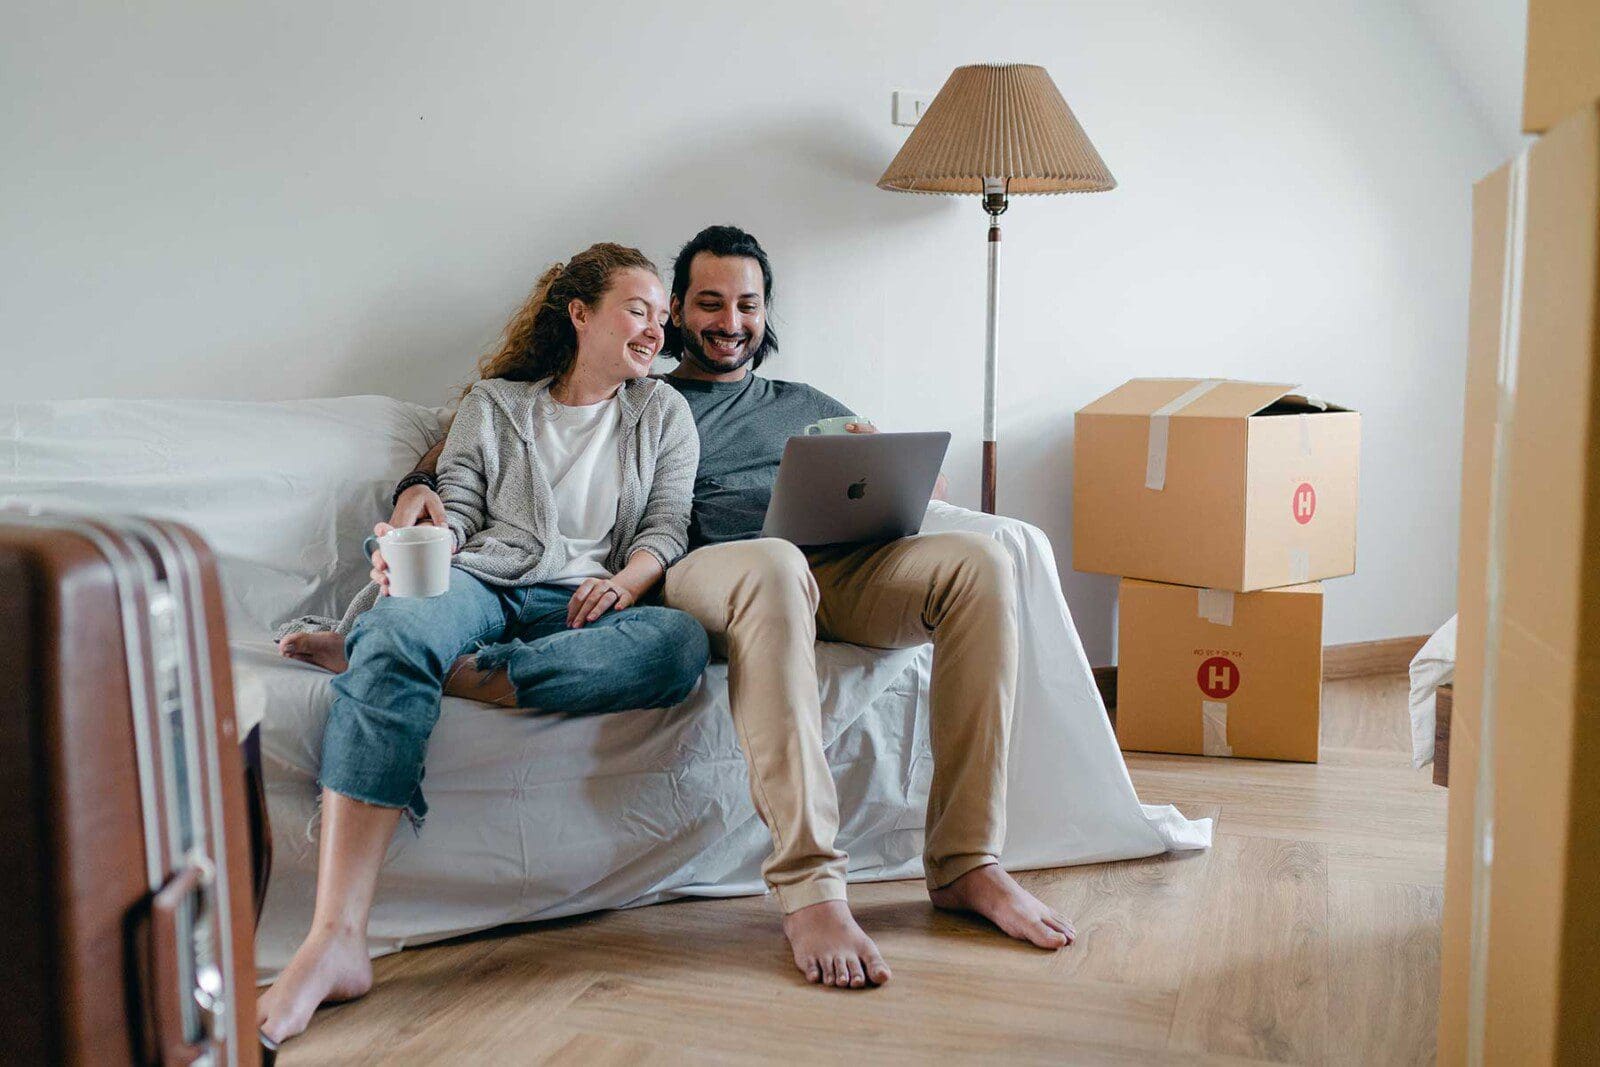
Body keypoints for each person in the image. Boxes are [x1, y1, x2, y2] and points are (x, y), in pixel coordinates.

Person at [388, 225, 1074, 991]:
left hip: (836, 564)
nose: (730, 320)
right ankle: (812, 885)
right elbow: (492, 434)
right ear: (675, 311)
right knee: (776, 562)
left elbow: (922, 488)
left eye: (747, 304)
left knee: (982, 560)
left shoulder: (803, 400)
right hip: (711, 570)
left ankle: (967, 860)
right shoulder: (644, 393)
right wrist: (413, 486)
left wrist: (887, 468)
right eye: (709, 303)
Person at [259, 242, 711, 1043]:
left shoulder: (664, 411)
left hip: (589, 599)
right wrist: (425, 522)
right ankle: (335, 940)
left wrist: (632, 581)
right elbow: (458, 504)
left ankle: (442, 669)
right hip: (486, 578)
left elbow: (667, 523)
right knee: (405, 622)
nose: (655, 328)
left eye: (661, 315)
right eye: (638, 309)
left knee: (676, 644)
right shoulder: (498, 404)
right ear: (581, 314)